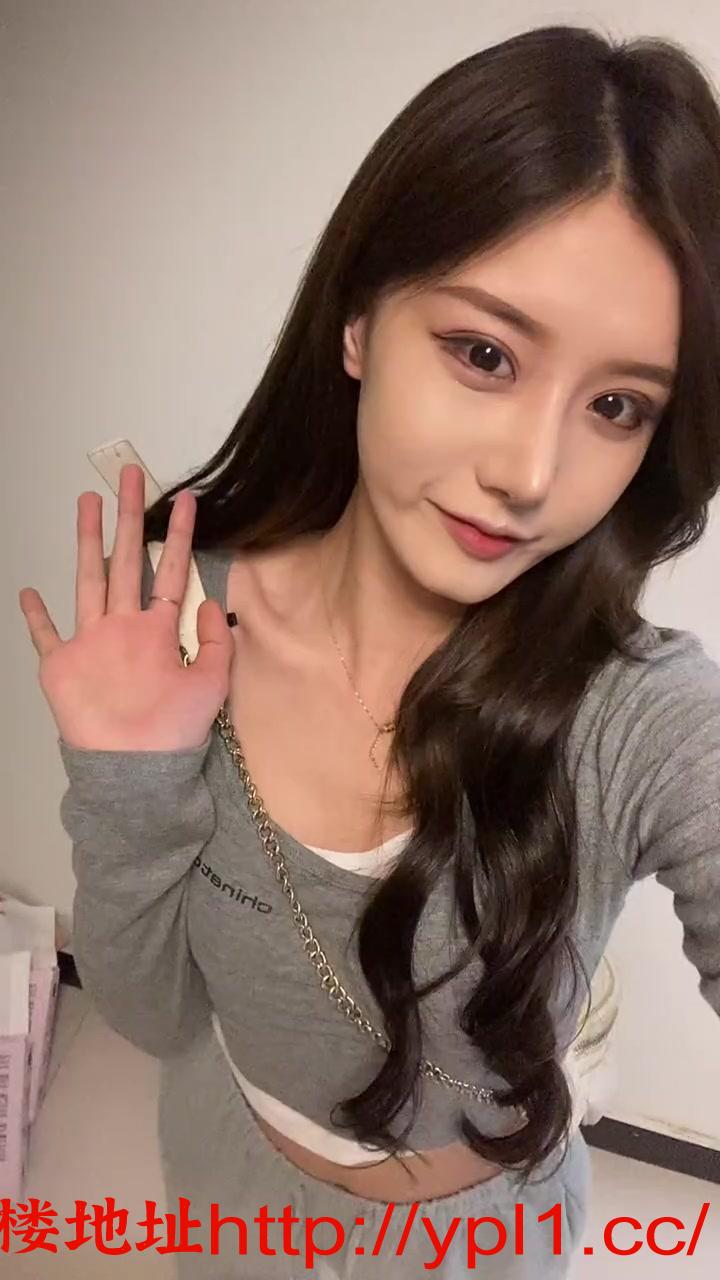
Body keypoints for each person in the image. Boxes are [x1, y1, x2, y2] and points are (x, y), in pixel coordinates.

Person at [19, 22, 720, 1279]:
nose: (531, 472)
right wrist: (128, 774)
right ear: (359, 323)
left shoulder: (643, 715)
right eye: (484, 353)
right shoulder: (191, 622)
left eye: (616, 405)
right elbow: (154, 1011)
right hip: (235, 1192)